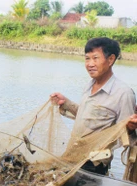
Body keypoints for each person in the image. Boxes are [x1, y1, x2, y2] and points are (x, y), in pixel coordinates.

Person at [50, 37, 136, 175]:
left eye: (95, 58)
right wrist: (66, 103)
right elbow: (88, 118)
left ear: (110, 59)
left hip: (93, 165)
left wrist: (130, 129)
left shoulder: (123, 93)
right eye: (87, 58)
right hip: (72, 156)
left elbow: (126, 138)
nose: (90, 64)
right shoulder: (89, 85)